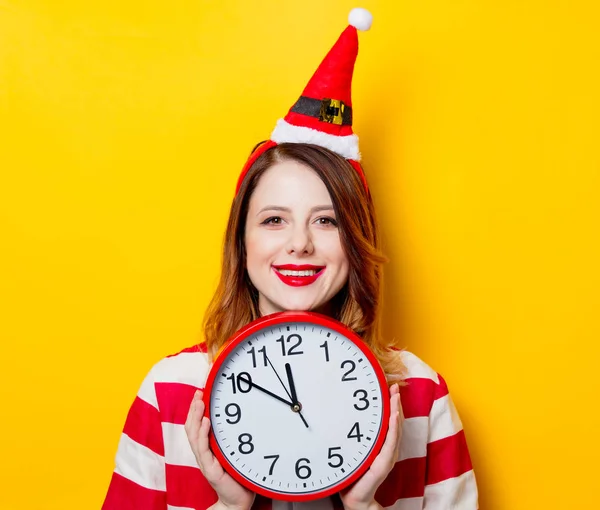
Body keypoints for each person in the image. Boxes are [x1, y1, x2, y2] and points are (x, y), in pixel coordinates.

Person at [102, 9, 478, 510]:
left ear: (356, 241)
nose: (299, 243)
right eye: (274, 220)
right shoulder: (171, 392)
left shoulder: (420, 396)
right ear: (242, 242)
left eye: (327, 221)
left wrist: (363, 506)